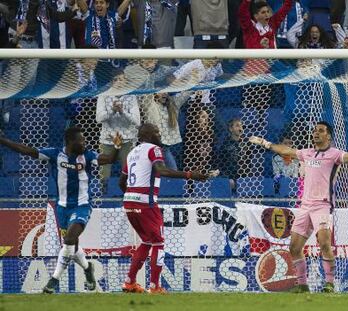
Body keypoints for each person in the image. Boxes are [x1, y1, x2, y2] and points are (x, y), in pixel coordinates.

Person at [249, 121, 348, 293]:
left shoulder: (334, 154)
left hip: (322, 206)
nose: (316, 133)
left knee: (324, 243)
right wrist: (266, 143)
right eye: (315, 130)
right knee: (294, 247)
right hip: (305, 206)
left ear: (328, 136)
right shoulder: (307, 153)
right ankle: (302, 285)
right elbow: (286, 151)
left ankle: (330, 284)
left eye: (321, 131)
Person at [0, 127, 123, 293]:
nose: (84, 143)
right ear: (70, 142)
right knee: (72, 246)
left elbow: (109, 159)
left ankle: (54, 280)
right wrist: (3, 140)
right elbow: (27, 150)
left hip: (82, 205)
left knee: (69, 239)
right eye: (81, 140)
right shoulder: (55, 154)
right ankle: (88, 268)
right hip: (62, 208)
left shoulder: (88, 156)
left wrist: (116, 147)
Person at [119, 123, 211, 294]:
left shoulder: (132, 153)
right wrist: (190, 175)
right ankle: (155, 287)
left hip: (129, 202)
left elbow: (121, 182)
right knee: (159, 243)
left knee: (147, 242)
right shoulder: (153, 149)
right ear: (147, 135)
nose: (159, 135)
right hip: (146, 203)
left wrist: (133, 197)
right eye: (157, 132)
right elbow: (162, 170)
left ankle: (129, 282)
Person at [96, 71, 141, 192]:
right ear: (111, 82)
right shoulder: (103, 95)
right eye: (115, 79)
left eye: (121, 79)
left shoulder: (131, 96)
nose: (118, 82)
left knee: (128, 168)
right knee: (104, 170)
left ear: (125, 81)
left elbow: (137, 121)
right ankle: (103, 193)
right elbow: (98, 118)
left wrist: (122, 112)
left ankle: (129, 192)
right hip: (108, 139)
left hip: (127, 139)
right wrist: (112, 110)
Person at [140, 92, 190, 170]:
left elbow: (185, 94)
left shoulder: (173, 105)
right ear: (154, 93)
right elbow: (148, 93)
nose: (164, 94)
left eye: (166, 91)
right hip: (150, 148)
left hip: (164, 148)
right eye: (161, 91)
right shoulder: (149, 105)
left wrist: (195, 85)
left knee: (173, 171)